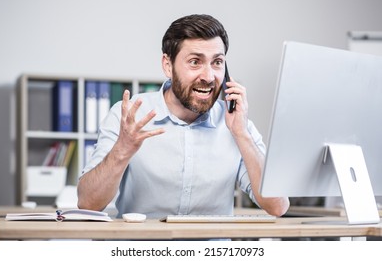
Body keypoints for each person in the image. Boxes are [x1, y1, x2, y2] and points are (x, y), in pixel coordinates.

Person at [77, 14, 289, 219]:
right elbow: (88, 203)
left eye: (217, 62)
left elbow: (278, 206)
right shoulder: (129, 117)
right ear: (168, 65)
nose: (208, 76)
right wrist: (121, 151)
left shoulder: (237, 123)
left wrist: (242, 134)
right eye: (195, 62)